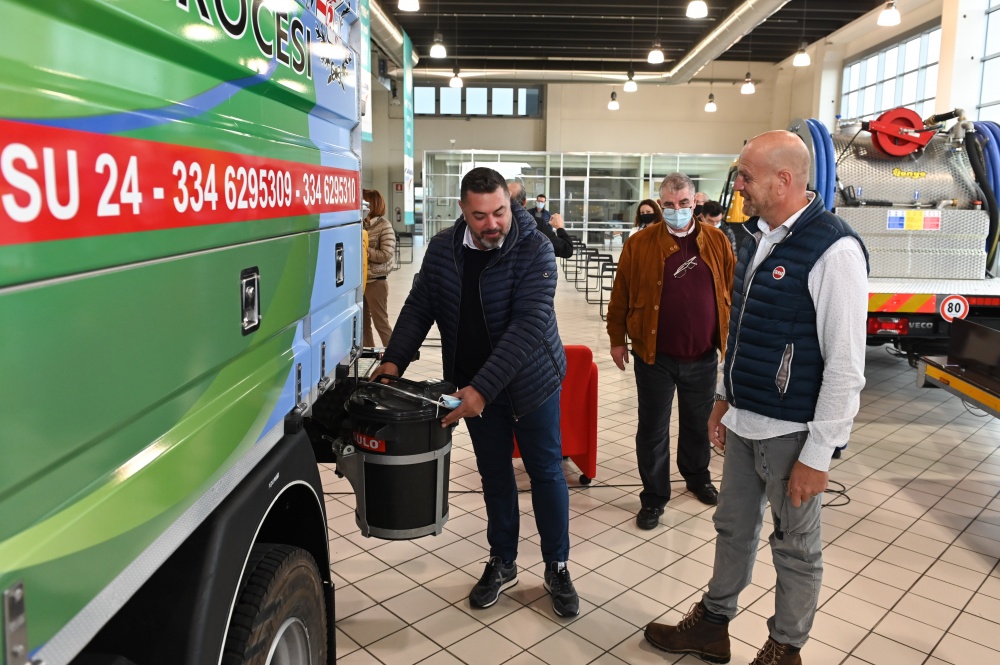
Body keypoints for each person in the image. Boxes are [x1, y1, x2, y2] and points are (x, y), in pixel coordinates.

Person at [643, 131, 869, 665]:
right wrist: (724, 397)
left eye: (745, 176)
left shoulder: (833, 250)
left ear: (783, 180)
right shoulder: (758, 236)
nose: (736, 185)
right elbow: (739, 329)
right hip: (746, 421)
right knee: (732, 528)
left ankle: (784, 647)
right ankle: (713, 624)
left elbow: (846, 365)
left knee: (794, 548)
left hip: (792, 433)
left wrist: (819, 455)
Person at [371, 167, 579, 618]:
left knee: (545, 472)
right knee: (494, 476)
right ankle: (502, 561)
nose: (492, 224)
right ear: (463, 211)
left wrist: (482, 388)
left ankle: (557, 565)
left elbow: (528, 326)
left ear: (510, 203)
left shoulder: (536, 247)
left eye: (500, 212)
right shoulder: (444, 248)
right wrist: (393, 361)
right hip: (474, 386)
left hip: (531, 382)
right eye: (480, 215)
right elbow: (419, 306)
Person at [605, 173, 735, 529]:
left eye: (683, 204)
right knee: (653, 428)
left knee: (697, 424)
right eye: (670, 204)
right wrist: (617, 338)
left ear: (695, 203)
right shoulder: (640, 244)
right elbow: (621, 295)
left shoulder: (717, 241)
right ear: (661, 204)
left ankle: (697, 477)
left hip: (703, 354)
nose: (676, 210)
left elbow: (730, 291)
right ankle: (654, 495)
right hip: (655, 356)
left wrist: (731, 339)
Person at [362, 188, 396, 347]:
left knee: (380, 322)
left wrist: (364, 251)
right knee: (362, 325)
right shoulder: (360, 224)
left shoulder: (384, 226)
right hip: (360, 282)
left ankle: (394, 356)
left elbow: (386, 254)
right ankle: (366, 356)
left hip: (376, 282)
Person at [509, 181, 573, 258]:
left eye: (542, 202)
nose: (540, 203)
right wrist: (560, 228)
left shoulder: (494, 225)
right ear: (525, 202)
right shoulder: (535, 222)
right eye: (539, 201)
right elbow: (566, 250)